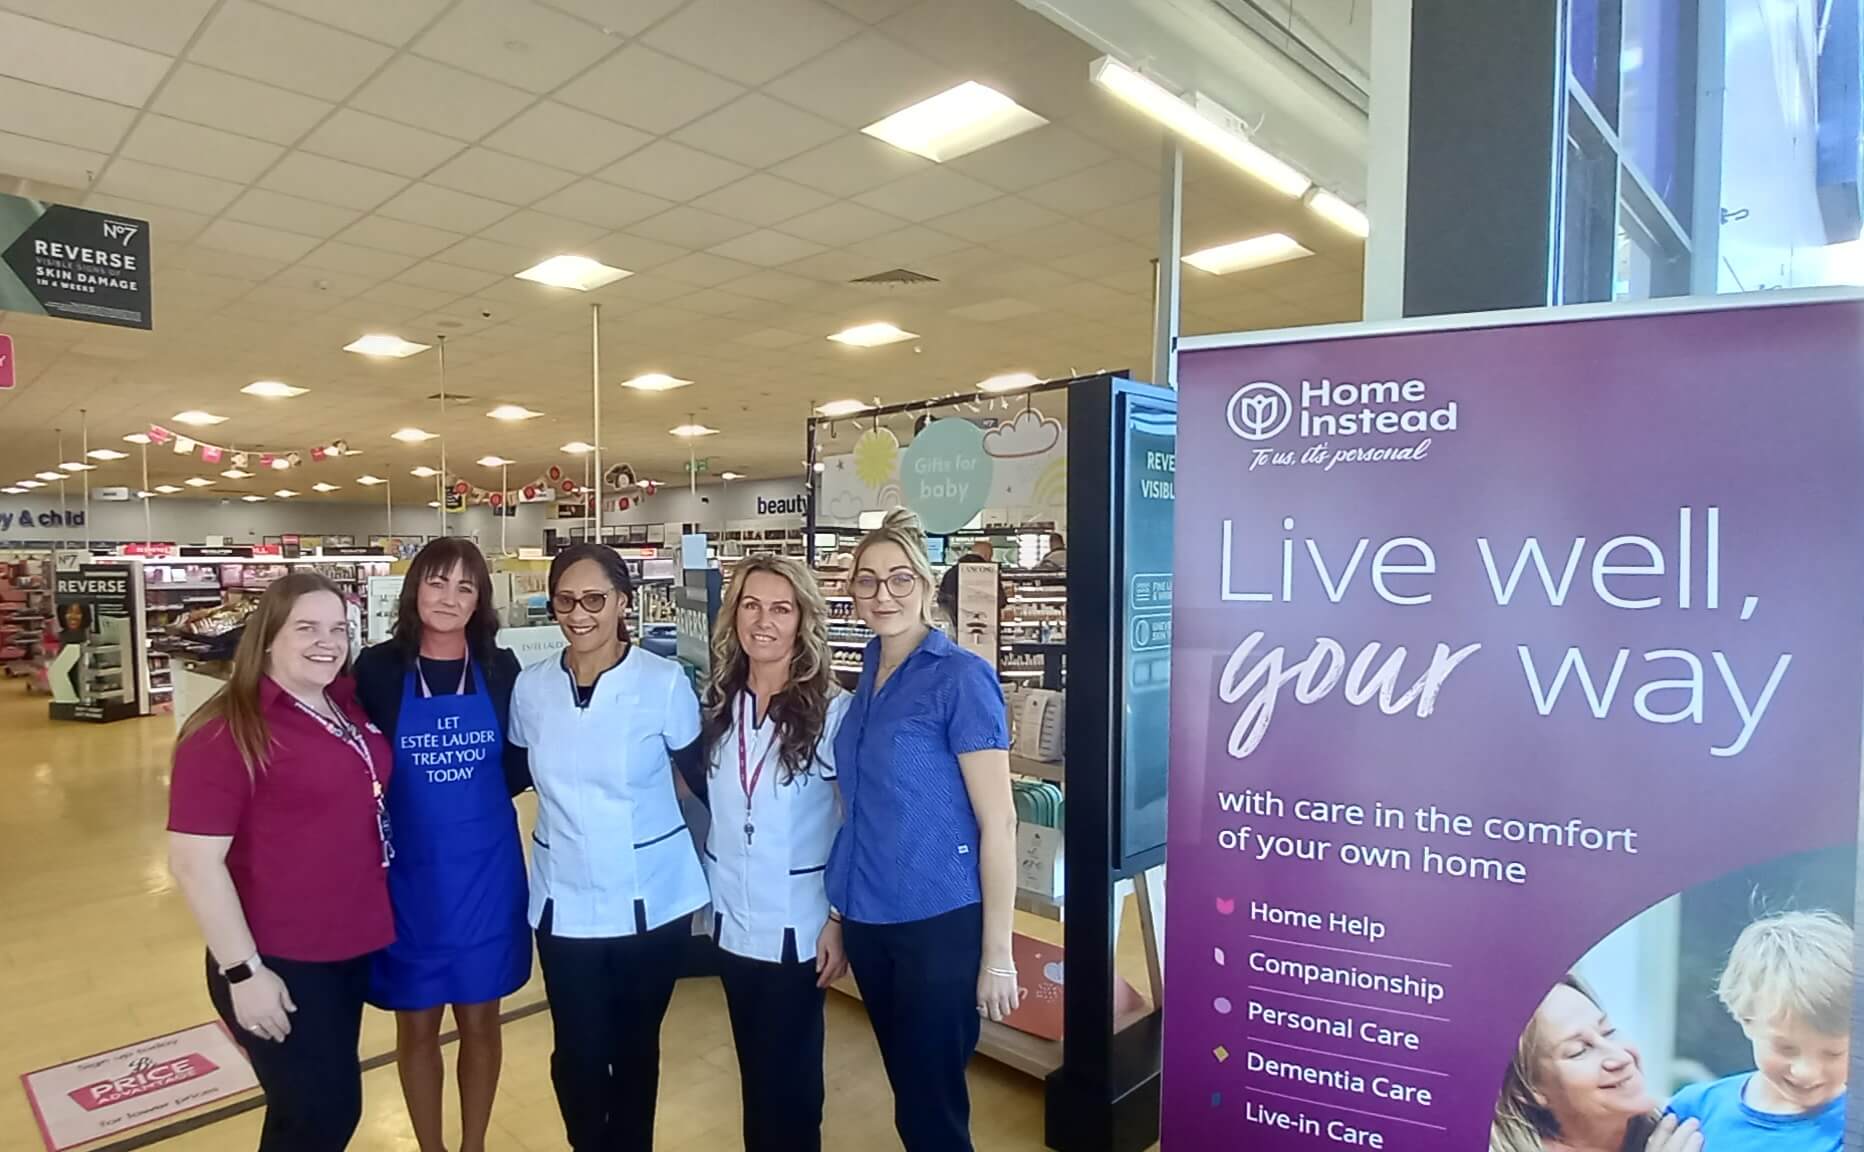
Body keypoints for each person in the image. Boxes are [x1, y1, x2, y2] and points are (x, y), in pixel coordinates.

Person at [167, 572, 394, 1152]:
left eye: (339, 629)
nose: (328, 641)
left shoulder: (343, 704)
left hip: (345, 948)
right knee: (323, 1115)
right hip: (279, 962)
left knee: (306, 1114)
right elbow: (195, 863)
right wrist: (243, 972)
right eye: (307, 628)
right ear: (267, 636)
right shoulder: (226, 730)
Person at [826, 508, 1022, 1152]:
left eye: (900, 579)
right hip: (869, 919)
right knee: (910, 1092)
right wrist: (838, 911)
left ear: (928, 587)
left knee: (933, 1109)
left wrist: (998, 954)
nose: (884, 594)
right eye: (868, 580)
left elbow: (999, 821)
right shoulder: (867, 673)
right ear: (852, 591)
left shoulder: (961, 678)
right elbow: (858, 808)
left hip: (937, 922)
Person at [508, 543, 706, 1152]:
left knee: (635, 1048)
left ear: (624, 602)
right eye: (566, 600)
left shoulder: (664, 682)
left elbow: (699, 776)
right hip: (563, 901)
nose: (579, 613)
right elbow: (513, 773)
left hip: (652, 900)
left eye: (595, 599)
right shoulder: (532, 688)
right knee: (578, 1055)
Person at [352, 539, 531, 1152]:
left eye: (465, 586)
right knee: (417, 1024)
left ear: (481, 599)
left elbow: (520, 763)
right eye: (436, 582)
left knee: (483, 1020)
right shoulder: (376, 670)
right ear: (414, 590)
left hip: (486, 873)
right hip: (409, 880)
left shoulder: (500, 668)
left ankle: (473, 1144)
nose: (449, 598)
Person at [691, 553, 852, 1152]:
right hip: (732, 921)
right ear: (733, 616)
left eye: (780, 609)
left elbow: (853, 822)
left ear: (802, 620)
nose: (764, 621)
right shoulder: (718, 704)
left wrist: (839, 920)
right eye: (751, 606)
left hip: (800, 925)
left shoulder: (834, 712)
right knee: (755, 1074)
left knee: (793, 1081)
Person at [1667, 910, 1852, 1150]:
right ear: (1746, 1020)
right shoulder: (1692, 1112)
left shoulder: (1855, 1126)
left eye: (1833, 1053)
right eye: (1785, 1048)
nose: (1806, 1071)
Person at [1492, 975, 1701, 1152]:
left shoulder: (1694, 1120)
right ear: (1528, 1090)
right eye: (1579, 1051)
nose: (1621, 1058)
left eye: (1608, 1032)